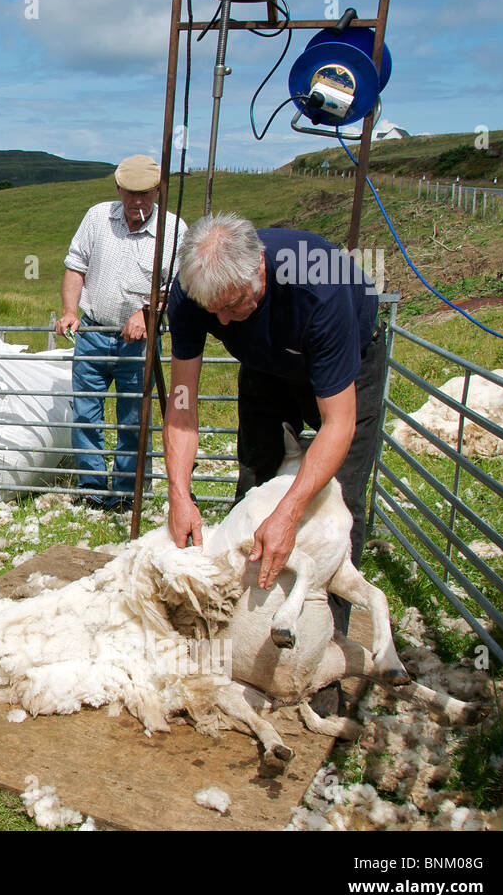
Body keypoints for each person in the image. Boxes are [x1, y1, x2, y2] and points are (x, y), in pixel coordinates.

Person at [163, 212, 386, 638]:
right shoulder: (192, 292)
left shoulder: (320, 287)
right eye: (214, 313)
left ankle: (325, 645)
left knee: (338, 500)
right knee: (256, 483)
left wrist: (290, 511)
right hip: (264, 365)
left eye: (231, 307)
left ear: (258, 272)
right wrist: (179, 493)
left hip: (346, 365)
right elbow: (182, 402)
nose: (223, 322)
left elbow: (337, 425)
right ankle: (244, 631)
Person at [55, 154, 187, 511]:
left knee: (133, 418)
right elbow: (75, 267)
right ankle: (94, 493)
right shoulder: (98, 217)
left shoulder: (174, 230)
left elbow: (178, 288)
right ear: (118, 189)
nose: (137, 201)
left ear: (157, 191)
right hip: (94, 333)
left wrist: (148, 314)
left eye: (145, 193)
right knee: (85, 415)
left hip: (139, 341)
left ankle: (129, 494)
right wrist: (70, 311)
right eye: (130, 193)